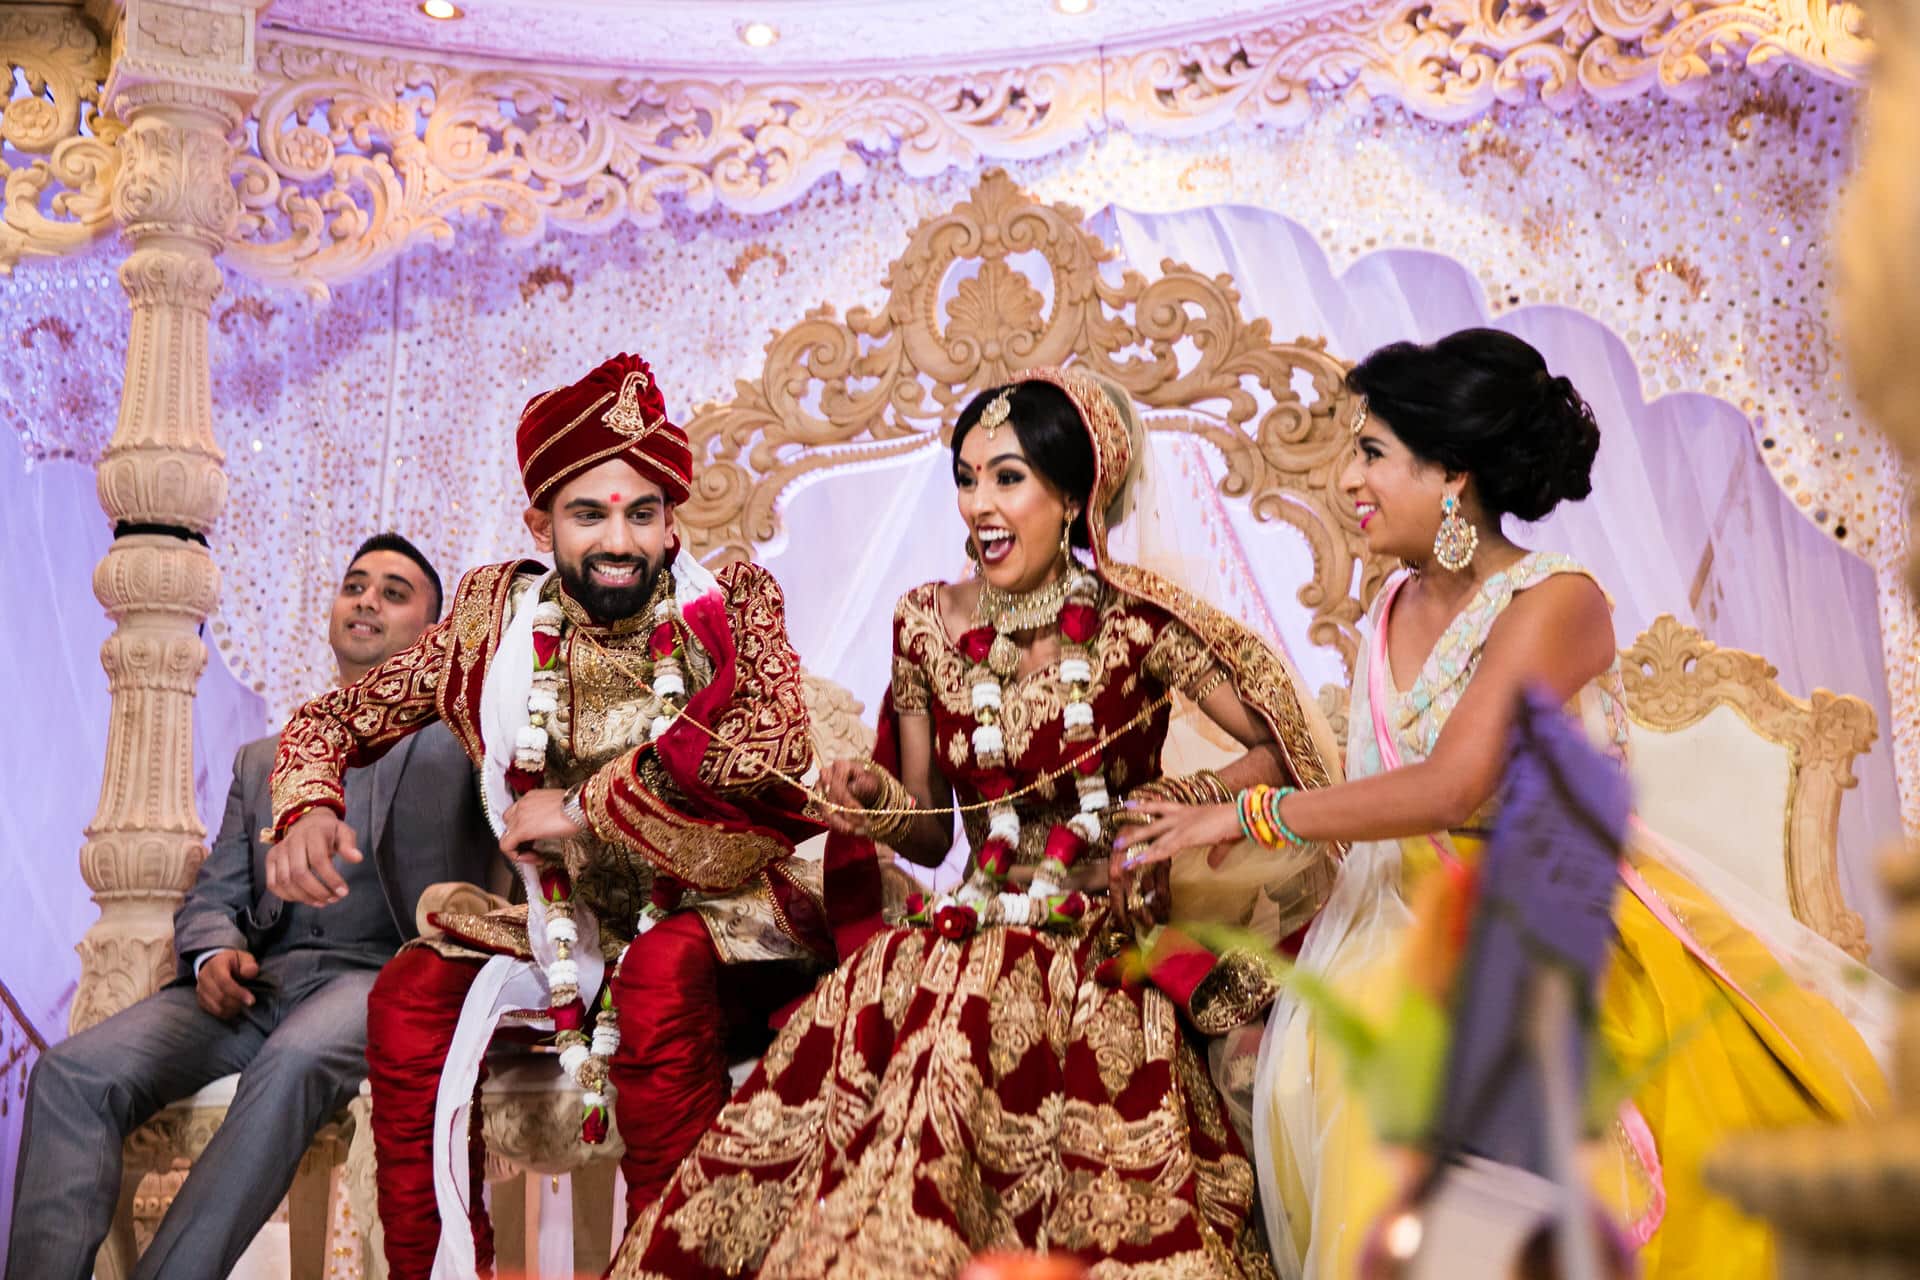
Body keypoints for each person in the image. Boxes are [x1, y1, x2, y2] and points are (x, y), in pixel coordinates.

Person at [1115, 328, 1893, 1279]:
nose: (1346, 480)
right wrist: (1206, 798)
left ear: (1452, 475)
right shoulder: (1391, 603)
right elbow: (1368, 776)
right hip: (1388, 916)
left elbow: (1450, 787)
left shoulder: (1557, 602)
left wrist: (1245, 818)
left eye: (1371, 454)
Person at [606, 365, 1343, 1279]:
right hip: (959, 918)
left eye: (1008, 477)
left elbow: (1282, 745)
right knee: (887, 1056)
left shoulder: (1133, 622)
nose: (978, 503)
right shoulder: (926, 621)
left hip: (1095, 930)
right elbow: (928, 830)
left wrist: (1185, 804)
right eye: (965, 476)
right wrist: (877, 800)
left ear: (1072, 496)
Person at [265, 353, 828, 1278]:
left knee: (657, 971)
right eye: (590, 514)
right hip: (566, 923)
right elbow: (334, 717)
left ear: (670, 522)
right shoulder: (491, 631)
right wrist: (306, 806)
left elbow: (768, 759)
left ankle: (668, 1263)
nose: (620, 539)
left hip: (718, 910)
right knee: (409, 994)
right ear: (541, 523)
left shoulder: (730, 611)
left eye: (642, 514)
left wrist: (585, 806)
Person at [8, 534, 496, 1280]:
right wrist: (211, 953)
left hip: (381, 977)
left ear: (432, 637)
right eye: (356, 586)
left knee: (293, 1060)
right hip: (255, 986)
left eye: (394, 593)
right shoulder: (265, 759)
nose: (366, 599)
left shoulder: (464, 744)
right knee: (72, 1075)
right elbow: (215, 892)